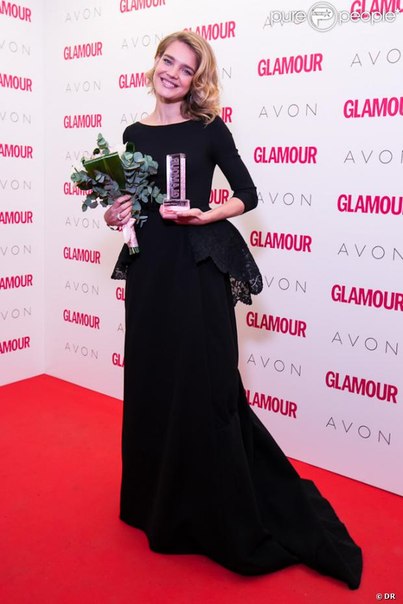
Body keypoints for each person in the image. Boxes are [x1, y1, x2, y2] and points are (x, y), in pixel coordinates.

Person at [104, 31, 362, 589]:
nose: (172, 73)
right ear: (154, 63)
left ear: (197, 79)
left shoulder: (209, 129)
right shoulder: (132, 134)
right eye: (168, 61)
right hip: (150, 270)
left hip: (196, 267)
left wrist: (208, 214)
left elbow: (248, 192)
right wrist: (115, 213)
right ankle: (155, 502)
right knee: (153, 379)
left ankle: (214, 505)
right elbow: (131, 208)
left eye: (186, 68)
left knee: (205, 381)